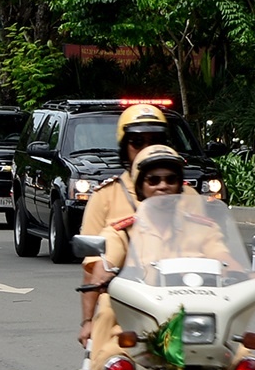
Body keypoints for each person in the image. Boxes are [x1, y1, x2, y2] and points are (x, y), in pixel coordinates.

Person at [83, 145, 254, 370]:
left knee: (242, 361)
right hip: (142, 325)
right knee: (112, 362)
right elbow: (105, 263)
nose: (162, 186)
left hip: (196, 319)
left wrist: (246, 275)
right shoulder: (123, 229)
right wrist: (99, 285)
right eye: (154, 179)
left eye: (170, 179)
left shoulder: (202, 226)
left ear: (180, 185)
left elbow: (224, 256)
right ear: (141, 188)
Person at [77, 103, 186, 346]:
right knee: (108, 336)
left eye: (156, 140)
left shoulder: (190, 201)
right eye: (138, 141)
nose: (162, 187)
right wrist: (88, 320)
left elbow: (217, 248)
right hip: (127, 304)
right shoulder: (108, 200)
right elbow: (95, 265)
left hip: (185, 297)